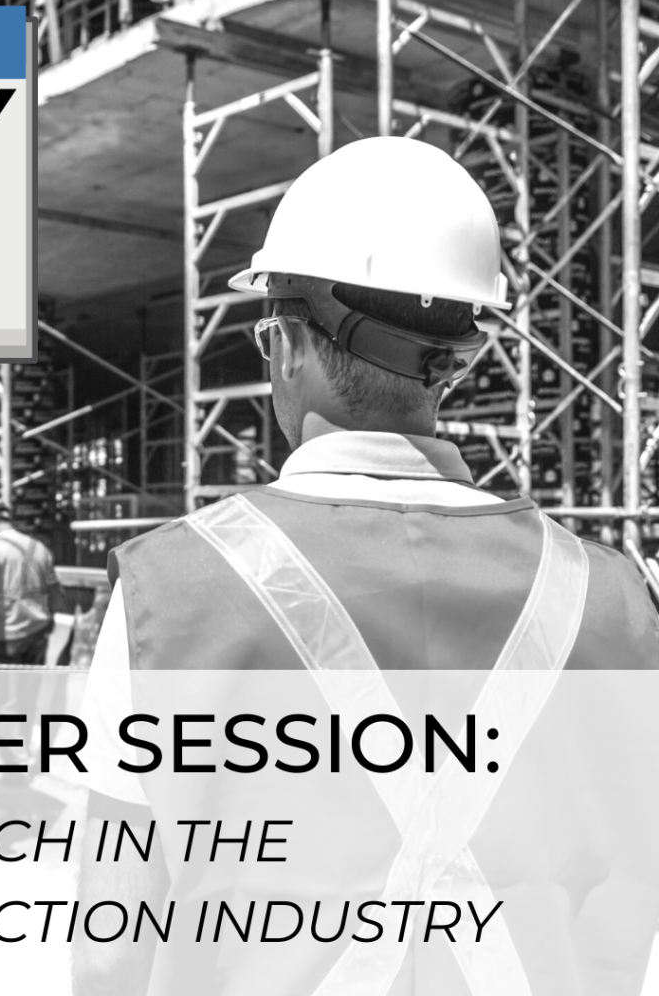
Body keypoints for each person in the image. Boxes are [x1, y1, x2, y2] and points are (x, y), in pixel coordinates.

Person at [74, 137, 659, 995]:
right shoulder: (616, 601)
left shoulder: (170, 591)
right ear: (455, 361)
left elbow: (112, 936)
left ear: (285, 346)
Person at [0, 500, 66, 756]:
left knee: (5, 701)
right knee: (27, 698)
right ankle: (25, 749)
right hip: (38, 635)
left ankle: (14, 763)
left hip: (7, 636)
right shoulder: (40, 548)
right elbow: (56, 593)